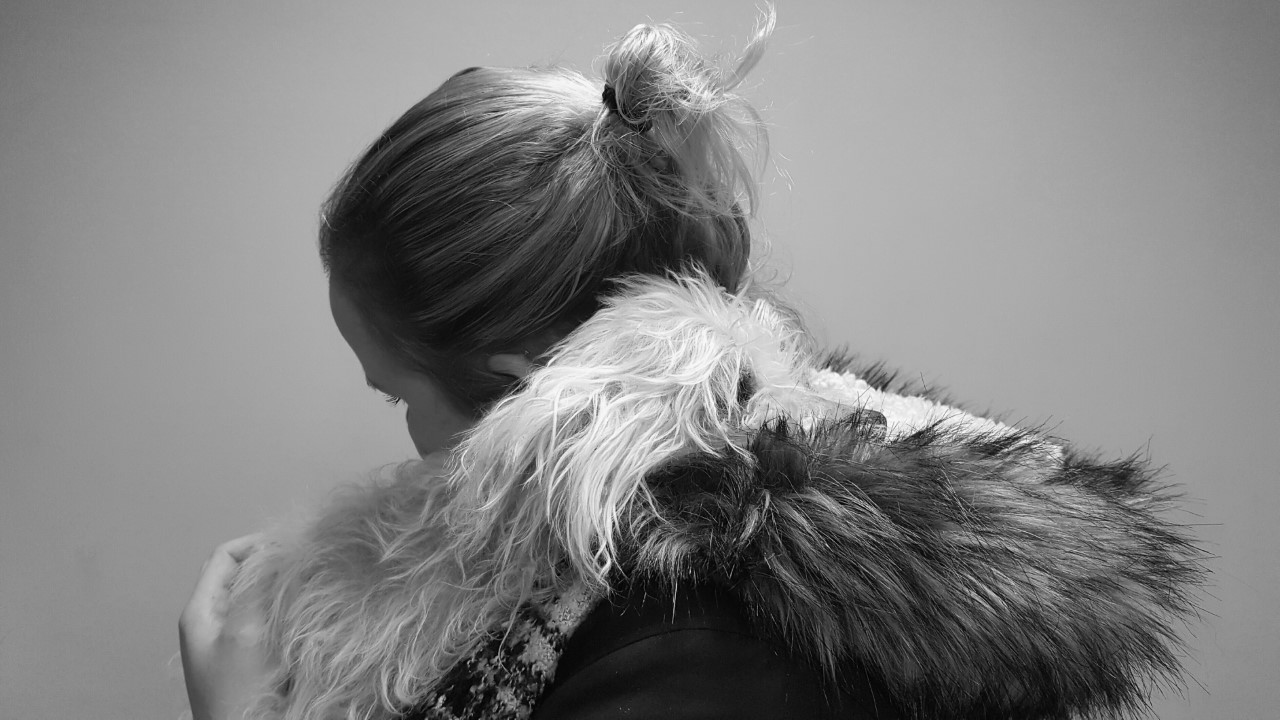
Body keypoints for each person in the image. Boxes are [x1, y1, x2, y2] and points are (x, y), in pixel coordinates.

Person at [179, 10, 1202, 720]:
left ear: (514, 377)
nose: (405, 441)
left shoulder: (687, 647)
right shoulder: (765, 471)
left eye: (394, 394)